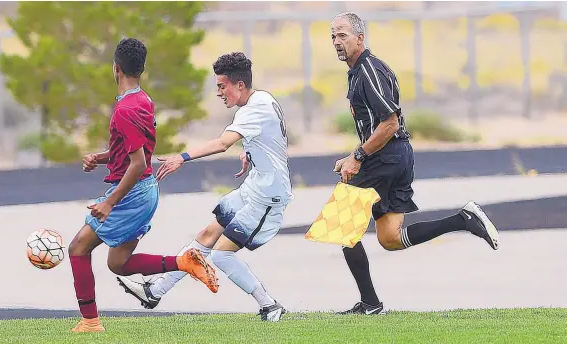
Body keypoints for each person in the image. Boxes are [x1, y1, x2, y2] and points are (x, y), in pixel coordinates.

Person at [329, 12, 501, 315]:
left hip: (386, 156)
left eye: (342, 35)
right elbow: (379, 127)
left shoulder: (368, 70)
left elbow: (390, 124)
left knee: (342, 226)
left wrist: (357, 157)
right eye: (333, 36)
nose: (336, 41)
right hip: (394, 156)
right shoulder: (360, 70)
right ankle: (462, 219)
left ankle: (370, 304)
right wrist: (353, 154)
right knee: (390, 238)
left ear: (360, 38)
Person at [117, 52, 292, 322]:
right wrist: (250, 153)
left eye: (222, 86)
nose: (219, 92)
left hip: (269, 197)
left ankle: (269, 305)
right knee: (207, 234)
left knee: (221, 255)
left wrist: (182, 157)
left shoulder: (254, 108)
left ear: (240, 85)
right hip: (254, 187)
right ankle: (155, 291)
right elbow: (270, 137)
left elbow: (222, 143)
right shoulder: (262, 99)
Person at [67, 38, 218, 333]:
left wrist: (109, 203)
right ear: (141, 69)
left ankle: (90, 322)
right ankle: (184, 261)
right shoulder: (143, 100)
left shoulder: (125, 110)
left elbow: (137, 163)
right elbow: (136, 151)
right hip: (143, 191)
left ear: (115, 69)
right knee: (118, 264)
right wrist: (100, 158)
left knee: (77, 248)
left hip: (132, 194)